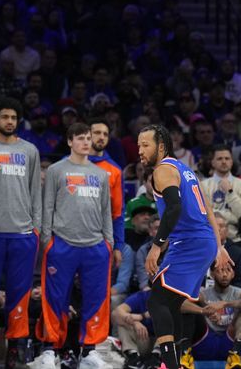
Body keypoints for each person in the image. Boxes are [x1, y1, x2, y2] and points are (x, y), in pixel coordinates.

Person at [138, 124, 230, 369]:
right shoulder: (185, 169)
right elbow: (208, 208)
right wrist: (218, 246)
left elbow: (174, 208)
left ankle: (169, 364)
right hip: (202, 241)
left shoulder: (163, 170)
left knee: (156, 302)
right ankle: (175, 362)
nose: (140, 150)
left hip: (189, 242)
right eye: (138, 145)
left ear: (160, 146)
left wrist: (157, 247)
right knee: (171, 303)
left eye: (145, 145)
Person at [37, 123, 113, 369]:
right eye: (81, 138)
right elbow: (47, 206)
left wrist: (108, 243)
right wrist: (47, 240)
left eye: (89, 138)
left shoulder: (102, 174)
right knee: (55, 299)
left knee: (96, 299)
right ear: (70, 142)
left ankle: (89, 351)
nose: (87, 143)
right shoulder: (57, 170)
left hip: (95, 246)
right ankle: (50, 350)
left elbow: (106, 211)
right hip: (62, 244)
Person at [0, 97, 42, 368]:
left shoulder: (30, 151)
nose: (9, 121)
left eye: (13, 117)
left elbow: (36, 192)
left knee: (19, 293)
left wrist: (35, 228)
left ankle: (15, 347)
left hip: (22, 233)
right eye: (4, 117)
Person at [185, 262, 241, 369]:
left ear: (233, 274)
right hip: (205, 341)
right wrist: (203, 310)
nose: (225, 274)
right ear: (212, 274)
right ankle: (184, 353)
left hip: (230, 341)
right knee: (190, 311)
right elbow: (180, 304)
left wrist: (225, 304)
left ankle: (236, 355)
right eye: (220, 270)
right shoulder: (203, 293)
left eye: (228, 270)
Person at [89, 117, 125, 268]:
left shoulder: (115, 170)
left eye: (105, 134)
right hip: (68, 238)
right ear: (87, 135)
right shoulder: (68, 164)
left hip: (101, 238)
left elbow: (118, 212)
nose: (101, 137)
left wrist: (118, 246)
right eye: (97, 133)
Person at [200, 145, 241, 241]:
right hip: (211, 238)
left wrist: (230, 192)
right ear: (213, 162)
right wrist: (232, 217)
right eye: (219, 159)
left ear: (232, 162)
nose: (224, 161)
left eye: (227, 158)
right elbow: (203, 215)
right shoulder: (203, 186)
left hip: (238, 239)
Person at [112, 290, 161, 369]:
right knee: (122, 322)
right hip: (143, 339)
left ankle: (156, 357)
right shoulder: (142, 296)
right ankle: (133, 357)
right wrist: (135, 322)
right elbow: (116, 313)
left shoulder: (171, 299)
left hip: (162, 345)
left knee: (173, 325)